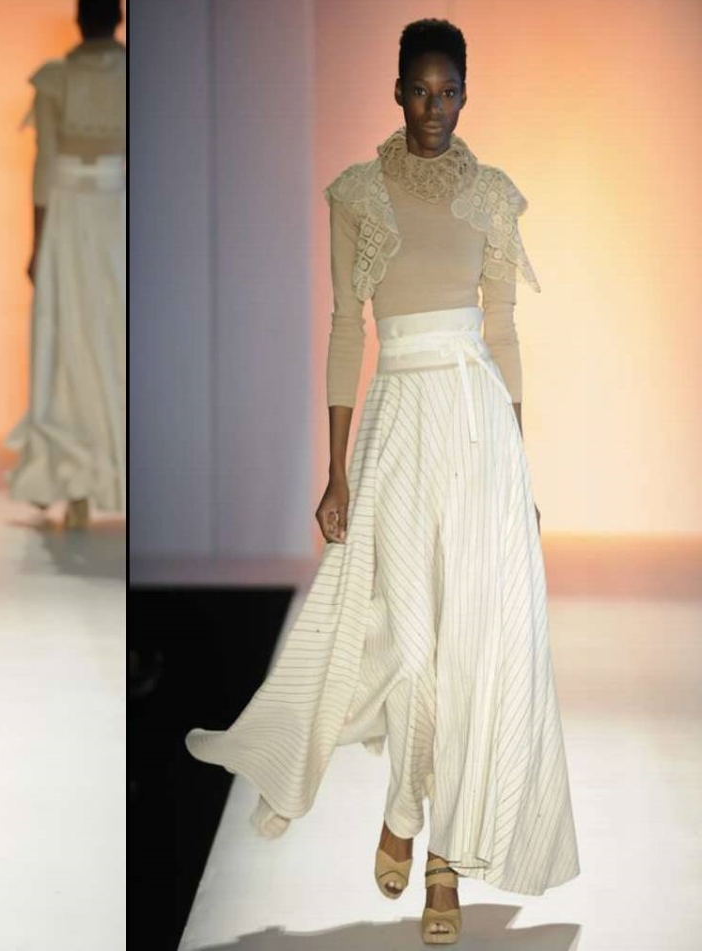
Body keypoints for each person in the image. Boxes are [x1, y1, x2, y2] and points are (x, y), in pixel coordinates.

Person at [185, 19, 578, 945]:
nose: (434, 108)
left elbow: (503, 331)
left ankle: (441, 856)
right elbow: (344, 328)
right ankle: (403, 806)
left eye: (450, 92)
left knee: (470, 646)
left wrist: (518, 465)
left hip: (478, 426)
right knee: (411, 643)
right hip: (398, 421)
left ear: (466, 95)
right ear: (396, 90)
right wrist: (334, 469)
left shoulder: (493, 195)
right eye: (420, 90)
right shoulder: (357, 193)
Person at [6, 0, 126, 530]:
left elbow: (45, 167)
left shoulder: (55, 79)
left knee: (69, 339)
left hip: (70, 219)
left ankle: (72, 479)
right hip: (117, 214)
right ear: (118, 19)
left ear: (79, 20)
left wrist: (37, 243)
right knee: (116, 340)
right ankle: (106, 473)